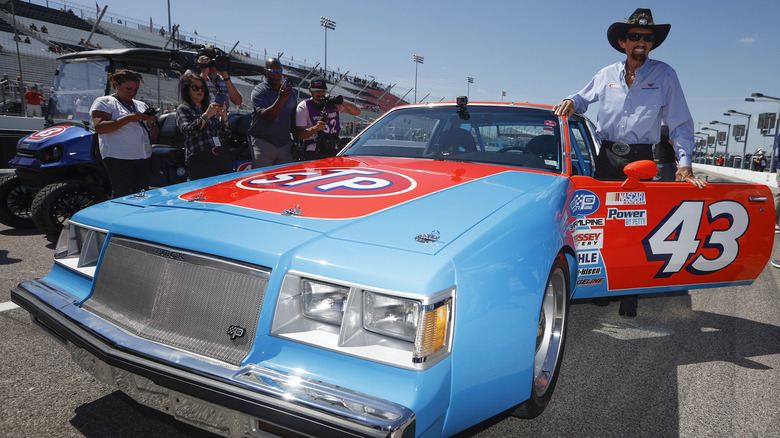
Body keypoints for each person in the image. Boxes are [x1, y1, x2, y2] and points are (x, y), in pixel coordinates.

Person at [553, 8, 706, 318]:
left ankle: (630, 292)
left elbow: (680, 123)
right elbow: (582, 98)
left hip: (640, 159)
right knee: (603, 225)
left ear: (651, 44)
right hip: (607, 157)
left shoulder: (665, 75)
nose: (641, 42)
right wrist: (571, 100)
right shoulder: (605, 74)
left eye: (646, 38)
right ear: (623, 41)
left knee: (635, 226)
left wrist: (684, 162)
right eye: (634, 37)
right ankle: (603, 284)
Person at [90, 69, 159, 198]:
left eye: (135, 90)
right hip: (119, 157)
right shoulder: (104, 102)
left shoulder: (141, 105)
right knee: (122, 195)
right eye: (128, 88)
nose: (132, 93)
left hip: (142, 156)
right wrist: (128, 118)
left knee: (142, 194)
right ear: (116, 84)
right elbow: (100, 127)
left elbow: (154, 134)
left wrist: (151, 124)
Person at [175, 73, 232, 180]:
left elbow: (227, 136)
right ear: (187, 90)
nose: (200, 91)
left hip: (221, 157)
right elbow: (189, 132)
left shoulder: (209, 107)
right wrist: (207, 115)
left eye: (203, 88)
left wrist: (224, 118)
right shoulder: (183, 108)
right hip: (200, 159)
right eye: (195, 88)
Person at [294, 76, 361, 160]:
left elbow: (357, 112)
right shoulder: (304, 106)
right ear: (310, 90)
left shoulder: (330, 103)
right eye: (317, 91)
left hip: (334, 148)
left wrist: (340, 101)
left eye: (323, 91)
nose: (320, 94)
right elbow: (299, 134)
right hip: (314, 150)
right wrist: (315, 128)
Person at [248, 58, 296, 167]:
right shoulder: (259, 91)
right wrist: (280, 99)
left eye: (279, 71)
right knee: (262, 180)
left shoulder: (290, 93)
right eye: (272, 71)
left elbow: (293, 118)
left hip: (284, 144)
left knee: (286, 180)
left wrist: (296, 142)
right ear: (265, 71)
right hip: (263, 143)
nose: (276, 75)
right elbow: (267, 117)